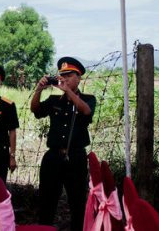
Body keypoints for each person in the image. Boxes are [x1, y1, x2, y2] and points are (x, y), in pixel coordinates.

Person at [30, 57, 96, 231]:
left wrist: (69, 92)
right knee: (47, 200)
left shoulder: (88, 99)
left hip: (75, 157)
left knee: (77, 201)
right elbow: (35, 110)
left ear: (79, 77)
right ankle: (45, 228)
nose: (64, 79)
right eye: (62, 76)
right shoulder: (54, 101)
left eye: (69, 75)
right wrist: (39, 89)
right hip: (53, 156)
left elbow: (86, 111)